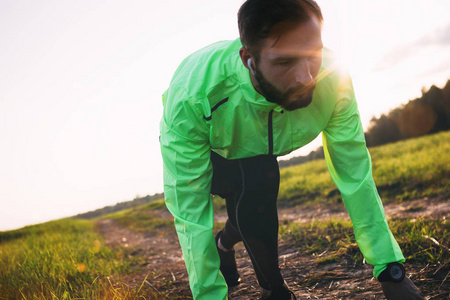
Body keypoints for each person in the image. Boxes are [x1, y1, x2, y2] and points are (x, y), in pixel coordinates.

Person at [159, 0, 425, 299]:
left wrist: (390, 269)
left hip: (259, 150)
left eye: (313, 56)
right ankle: (273, 287)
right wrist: (208, 294)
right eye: (285, 63)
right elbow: (190, 210)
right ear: (249, 58)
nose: (306, 78)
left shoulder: (333, 77)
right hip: (212, 146)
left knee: (254, 189)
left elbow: (355, 172)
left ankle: (226, 244)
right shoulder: (192, 96)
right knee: (253, 183)